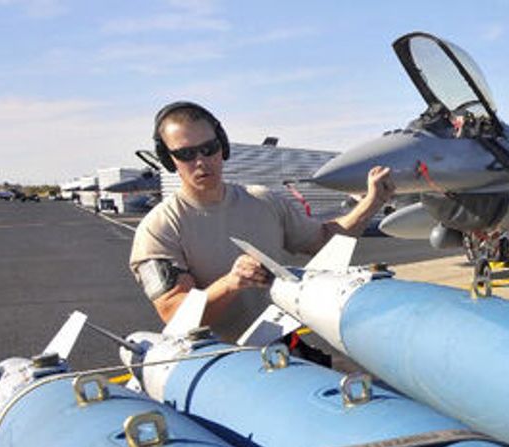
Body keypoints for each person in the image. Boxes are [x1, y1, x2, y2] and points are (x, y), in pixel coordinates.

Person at [129, 101, 395, 343]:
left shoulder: (263, 201)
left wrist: (372, 202)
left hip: (281, 348)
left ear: (223, 147)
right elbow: (175, 313)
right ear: (169, 159)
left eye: (209, 149)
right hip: (219, 364)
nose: (201, 161)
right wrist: (231, 283)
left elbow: (323, 241)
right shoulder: (158, 228)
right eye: (186, 154)